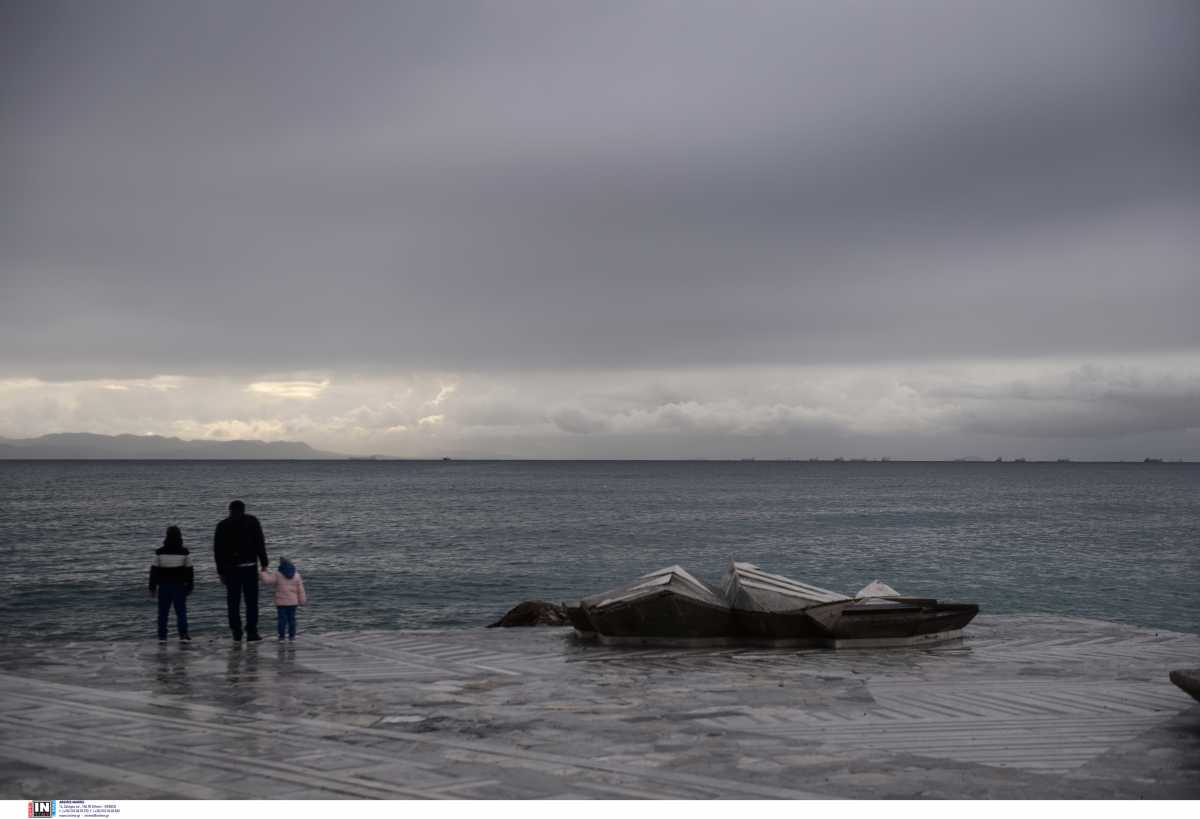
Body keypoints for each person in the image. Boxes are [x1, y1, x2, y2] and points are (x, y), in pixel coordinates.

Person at [214, 499, 269, 641]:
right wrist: (264, 562)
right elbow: (259, 542)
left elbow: (218, 551)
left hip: (231, 570)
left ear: (230, 510)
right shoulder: (252, 521)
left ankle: (236, 632)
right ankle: (252, 632)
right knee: (251, 602)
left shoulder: (223, 525)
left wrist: (220, 571)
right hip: (250, 567)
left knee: (233, 602)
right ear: (243, 509)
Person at [148, 525, 193, 642]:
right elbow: (189, 571)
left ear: (167, 536)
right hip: (179, 585)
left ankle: (162, 636)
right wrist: (190, 586)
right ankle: (183, 635)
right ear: (179, 536)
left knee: (163, 612)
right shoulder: (184, 552)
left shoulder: (159, 552)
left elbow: (154, 571)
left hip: (164, 585)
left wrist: (152, 587)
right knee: (181, 611)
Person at [261, 556, 308, 641]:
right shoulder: (297, 575)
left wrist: (263, 572)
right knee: (292, 619)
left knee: (282, 620)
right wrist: (302, 601)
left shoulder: (277, 574)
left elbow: (267, 581)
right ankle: (292, 636)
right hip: (293, 603)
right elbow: (301, 590)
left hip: (281, 602)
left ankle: (281, 636)